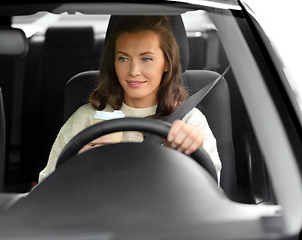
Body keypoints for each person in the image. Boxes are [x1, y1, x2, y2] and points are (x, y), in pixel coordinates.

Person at [38, 16, 221, 184]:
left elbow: (213, 195)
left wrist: (184, 159)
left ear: (166, 63)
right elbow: (43, 191)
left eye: (146, 59)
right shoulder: (86, 118)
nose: (134, 71)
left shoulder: (189, 122)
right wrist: (76, 167)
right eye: (123, 58)